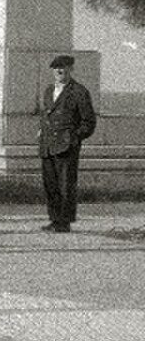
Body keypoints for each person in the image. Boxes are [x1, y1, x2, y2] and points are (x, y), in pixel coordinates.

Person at [39, 54, 98, 233]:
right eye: (56, 68)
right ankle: (54, 219)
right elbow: (46, 115)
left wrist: (74, 138)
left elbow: (89, 121)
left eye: (63, 67)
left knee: (66, 185)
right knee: (51, 184)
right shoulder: (49, 90)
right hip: (48, 145)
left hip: (66, 146)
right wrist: (41, 131)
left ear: (70, 70)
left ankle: (64, 222)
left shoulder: (79, 91)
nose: (59, 71)